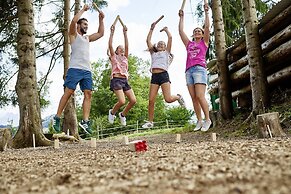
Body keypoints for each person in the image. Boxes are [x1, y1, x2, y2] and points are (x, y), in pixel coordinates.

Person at [52, 4, 105, 134]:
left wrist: (101, 19)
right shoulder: (73, 35)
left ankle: (85, 122)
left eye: (87, 25)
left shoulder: (87, 38)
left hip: (87, 70)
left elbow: (100, 33)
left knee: (88, 94)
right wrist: (83, 10)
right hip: (74, 68)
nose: (86, 26)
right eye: (84, 24)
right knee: (69, 91)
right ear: (79, 26)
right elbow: (73, 21)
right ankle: (57, 117)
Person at [142, 22, 185, 129]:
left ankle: (179, 97)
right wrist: (152, 29)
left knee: (168, 99)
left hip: (164, 75)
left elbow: (170, 38)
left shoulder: (167, 53)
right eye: (159, 44)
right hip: (154, 77)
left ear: (165, 47)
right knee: (151, 100)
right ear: (156, 46)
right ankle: (150, 122)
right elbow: (147, 40)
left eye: (163, 44)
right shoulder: (153, 53)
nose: (161, 44)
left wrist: (166, 30)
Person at [178, 2, 212, 132]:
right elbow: (180, 31)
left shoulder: (204, 43)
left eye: (199, 31)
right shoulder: (189, 44)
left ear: (203, 34)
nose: (197, 31)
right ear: (193, 35)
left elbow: (207, 27)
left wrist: (206, 12)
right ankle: (199, 120)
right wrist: (181, 18)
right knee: (193, 97)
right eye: (195, 31)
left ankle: (207, 119)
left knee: (200, 95)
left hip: (199, 69)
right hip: (188, 71)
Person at [108, 24, 137, 126]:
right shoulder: (113, 57)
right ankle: (112, 112)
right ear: (116, 51)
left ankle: (123, 115)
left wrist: (125, 33)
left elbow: (127, 45)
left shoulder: (125, 58)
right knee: (122, 101)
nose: (122, 49)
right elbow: (110, 45)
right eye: (119, 48)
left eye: (123, 48)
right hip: (116, 80)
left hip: (125, 81)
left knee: (133, 100)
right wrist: (112, 32)